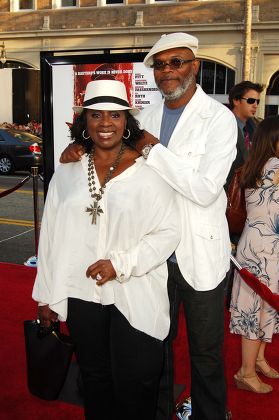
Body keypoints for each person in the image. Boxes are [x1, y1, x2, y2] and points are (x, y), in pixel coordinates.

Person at [60, 32, 237, 420]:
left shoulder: (219, 119)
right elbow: (114, 149)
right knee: (152, 340)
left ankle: (210, 413)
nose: (168, 71)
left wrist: (152, 149)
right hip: (146, 254)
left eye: (177, 62)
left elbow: (205, 190)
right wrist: (78, 150)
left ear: (196, 66)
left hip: (196, 252)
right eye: (160, 64)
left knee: (205, 351)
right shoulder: (144, 113)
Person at [32, 79, 179, 420]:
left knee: (135, 383)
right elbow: (52, 236)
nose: (106, 123)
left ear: (128, 121)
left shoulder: (150, 173)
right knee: (95, 379)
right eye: (96, 115)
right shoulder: (67, 171)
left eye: (115, 114)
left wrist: (121, 263)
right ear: (84, 122)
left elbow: (168, 232)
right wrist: (48, 297)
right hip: (83, 293)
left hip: (135, 293)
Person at [230, 115, 279, 394]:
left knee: (262, 307)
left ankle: (258, 359)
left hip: (256, 245)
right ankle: (245, 373)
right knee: (256, 310)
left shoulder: (256, 164)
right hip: (266, 250)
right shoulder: (275, 167)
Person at [226, 81, 263, 188]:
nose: (255, 105)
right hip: (226, 188)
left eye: (258, 101)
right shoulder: (222, 125)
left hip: (248, 188)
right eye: (251, 101)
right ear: (236, 101)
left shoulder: (256, 127)